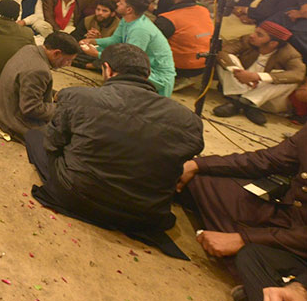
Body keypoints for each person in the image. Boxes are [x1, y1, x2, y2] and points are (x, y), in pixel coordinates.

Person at [25, 43, 204, 244]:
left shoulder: (76, 96)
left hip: (77, 196)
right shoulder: (189, 120)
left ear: (107, 69)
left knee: (36, 136)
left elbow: (53, 144)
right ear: (147, 74)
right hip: (145, 214)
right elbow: (184, 160)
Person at [177, 123, 307, 301]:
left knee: (250, 255)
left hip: (303, 241)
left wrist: (244, 238)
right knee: (201, 180)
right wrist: (198, 164)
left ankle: (280, 285)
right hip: (288, 216)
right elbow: (271, 159)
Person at [0, 32, 80, 140]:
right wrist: (61, 109)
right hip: (12, 120)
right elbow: (31, 108)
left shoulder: (29, 49)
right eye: (68, 60)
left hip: (1, 108)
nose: (68, 65)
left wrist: (54, 94)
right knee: (69, 136)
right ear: (56, 53)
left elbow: (25, 85)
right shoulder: (39, 70)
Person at [79, 0, 177, 97]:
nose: (117, 4)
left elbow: (131, 61)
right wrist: (92, 41)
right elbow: (115, 40)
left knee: (111, 64)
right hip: (140, 65)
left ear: (129, 9)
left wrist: (98, 54)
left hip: (157, 76)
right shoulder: (126, 20)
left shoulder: (140, 29)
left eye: (121, 3)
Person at [213, 22, 307, 124]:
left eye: (259, 35)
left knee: (291, 80)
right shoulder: (247, 40)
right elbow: (223, 52)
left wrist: (257, 76)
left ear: (273, 44)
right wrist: (237, 72)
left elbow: (298, 74)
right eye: (255, 31)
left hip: (263, 95)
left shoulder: (290, 54)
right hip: (240, 84)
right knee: (227, 60)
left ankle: (244, 102)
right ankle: (243, 102)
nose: (252, 35)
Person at [154, 0, 213, 79]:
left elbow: (151, 43)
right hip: (203, 65)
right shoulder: (204, 10)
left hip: (179, 67)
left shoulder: (168, 19)